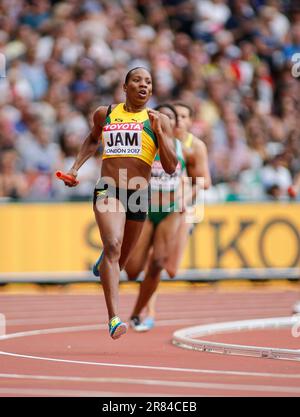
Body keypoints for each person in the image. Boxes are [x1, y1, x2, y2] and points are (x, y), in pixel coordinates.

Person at [59, 67, 178, 339]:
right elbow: (92, 138)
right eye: (137, 80)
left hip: (138, 193)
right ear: (125, 87)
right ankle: (114, 318)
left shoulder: (158, 120)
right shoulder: (106, 113)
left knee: (119, 262)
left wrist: (160, 133)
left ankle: (106, 262)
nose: (143, 85)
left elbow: (171, 167)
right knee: (113, 244)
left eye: (148, 81)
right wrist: (75, 168)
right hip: (109, 188)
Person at [126, 102, 211, 331]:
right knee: (133, 270)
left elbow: (203, 181)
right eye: (172, 116)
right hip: (144, 208)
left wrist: (186, 196)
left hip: (174, 210)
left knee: (162, 265)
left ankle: (141, 313)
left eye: (181, 117)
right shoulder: (142, 143)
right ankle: (145, 307)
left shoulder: (190, 147)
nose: (177, 121)